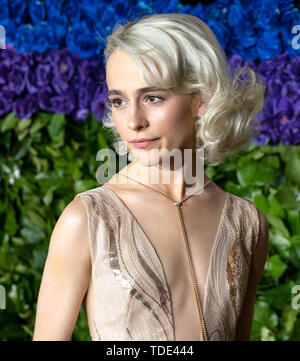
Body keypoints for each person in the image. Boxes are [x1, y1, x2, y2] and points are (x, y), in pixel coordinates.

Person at [33, 13, 269, 341]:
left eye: (152, 97)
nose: (133, 121)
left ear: (201, 98)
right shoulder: (88, 219)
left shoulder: (247, 223)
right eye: (118, 101)